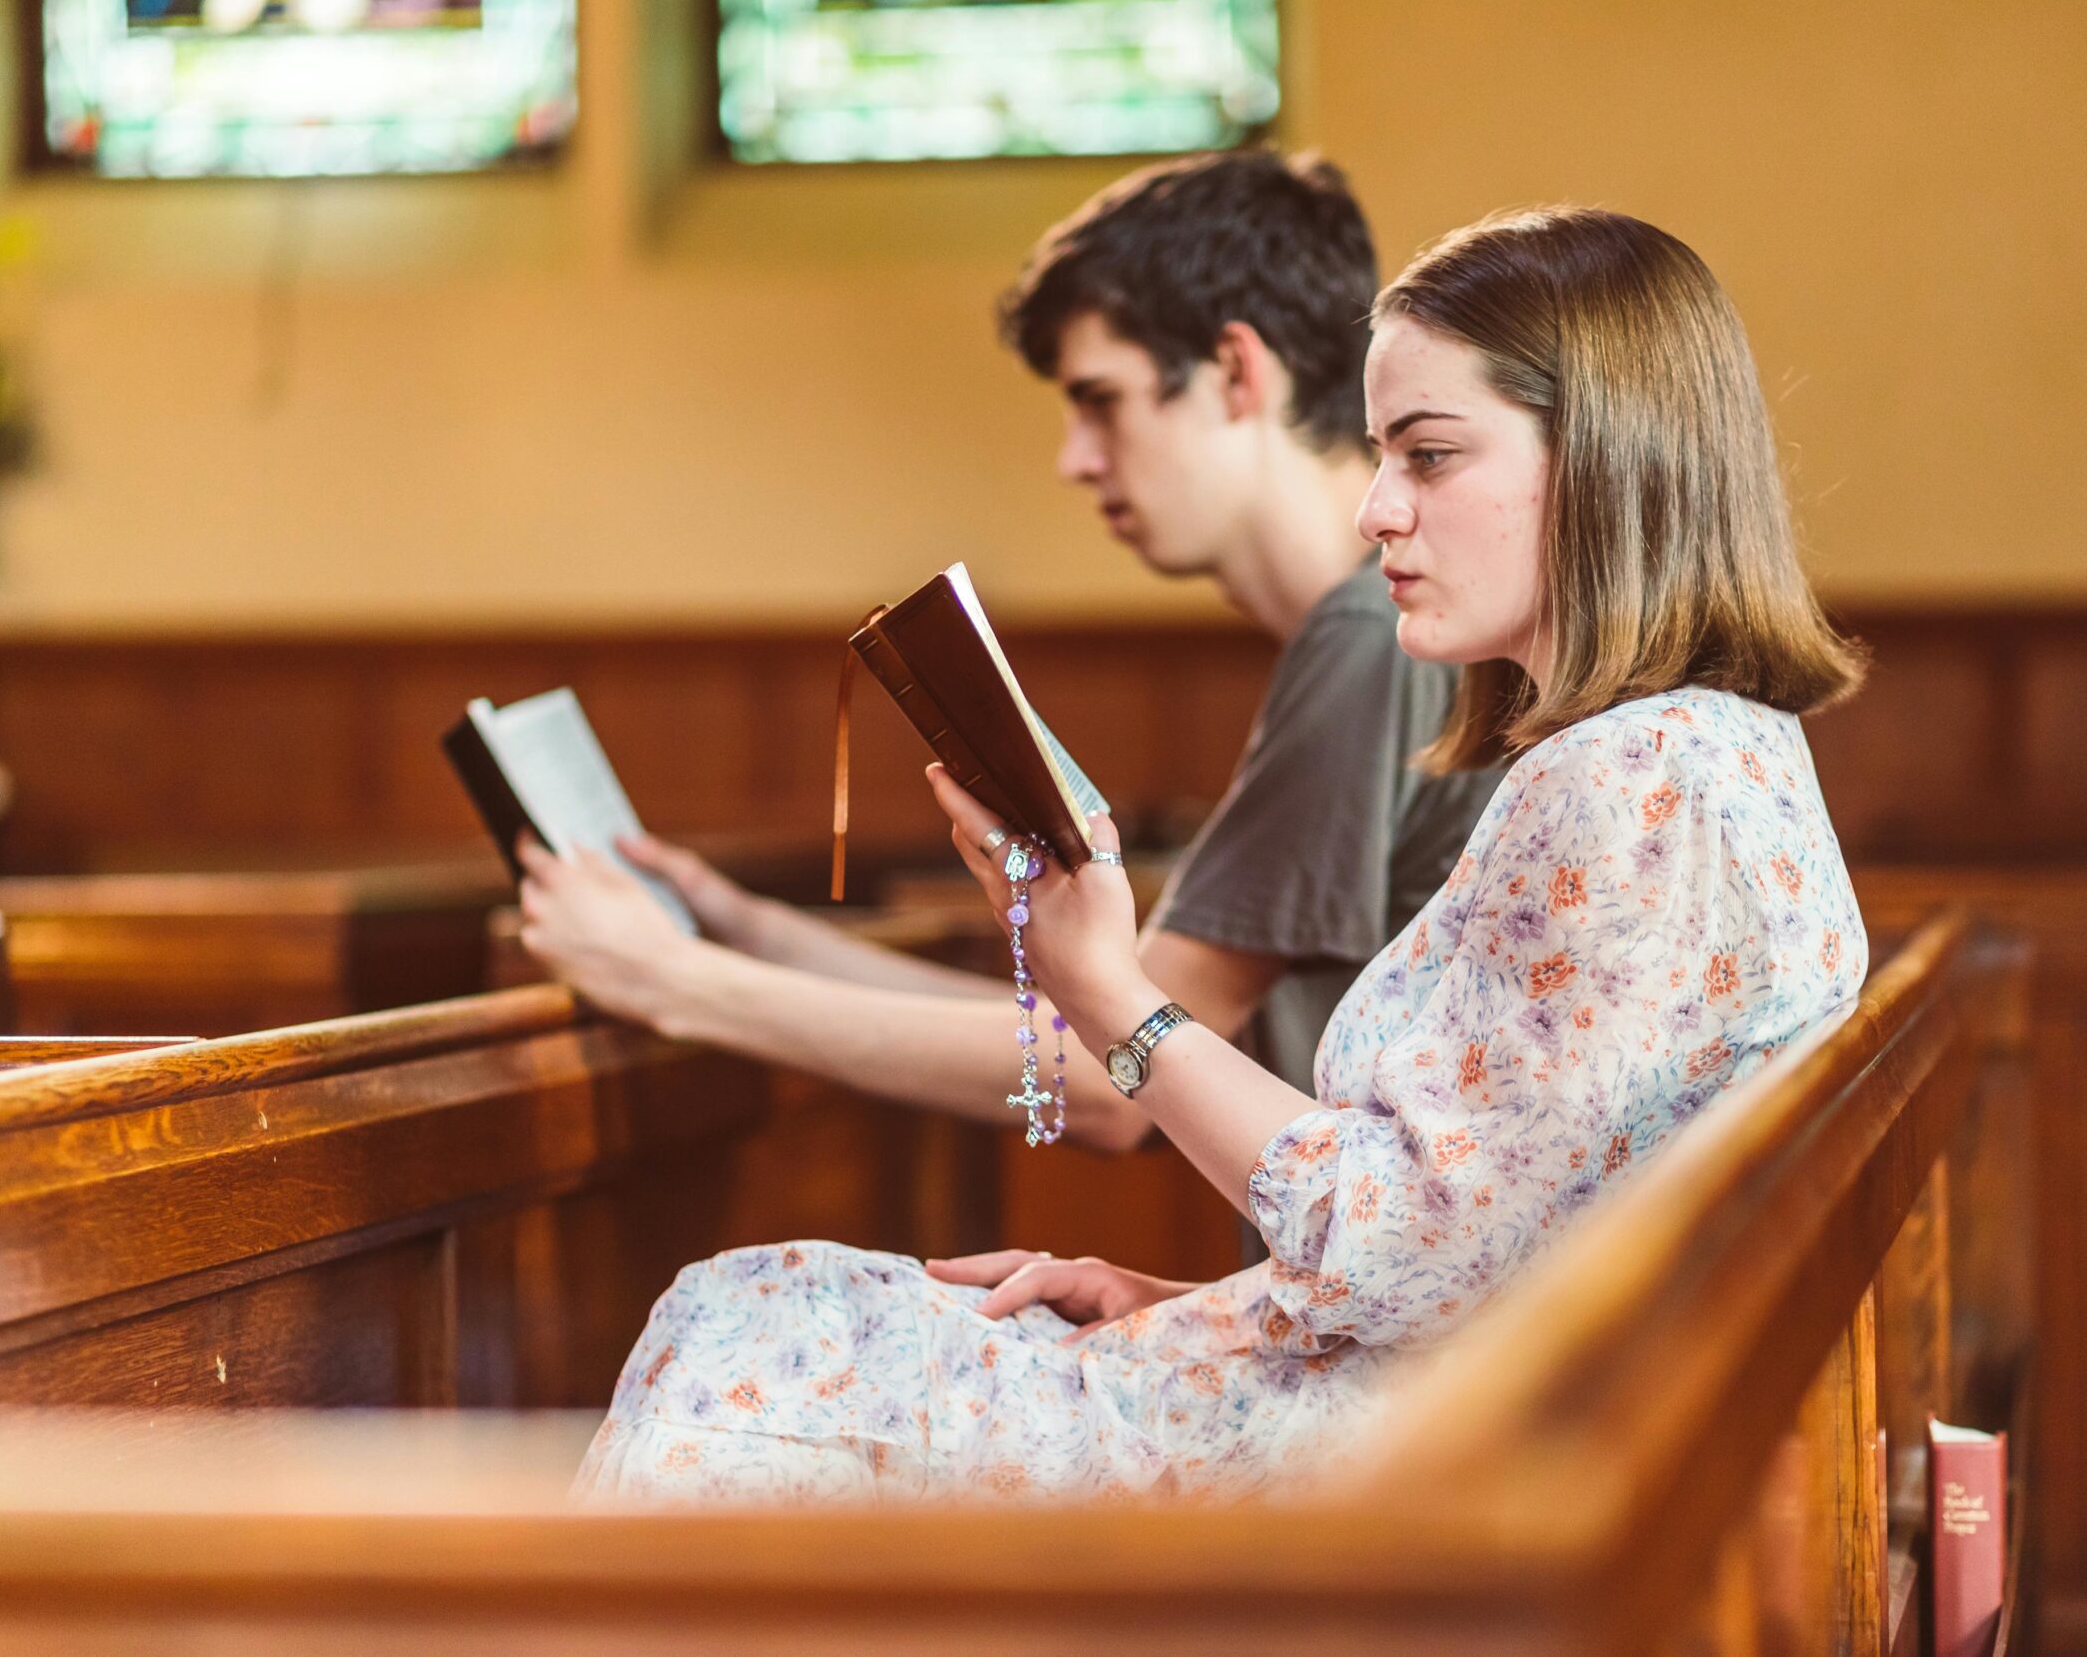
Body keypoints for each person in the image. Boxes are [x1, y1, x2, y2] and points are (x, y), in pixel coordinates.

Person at [569, 205, 1871, 1505]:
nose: (1375, 510)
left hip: (1442, 1473)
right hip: (1412, 1400)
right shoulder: (1716, 753)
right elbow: (1507, 1237)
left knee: (751, 1333)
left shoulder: (1626, 782)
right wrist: (1206, 1305)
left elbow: (1416, 1240)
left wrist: (1109, 994)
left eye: (1427, 454)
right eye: (1378, 455)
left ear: (1607, 459)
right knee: (777, 1311)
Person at [518, 149, 1502, 1157]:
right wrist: (752, 934)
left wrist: (674, 984)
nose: (1073, 459)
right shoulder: (1373, 632)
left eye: (1100, 399)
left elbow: (1115, 1077)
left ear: (1235, 372)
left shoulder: (1369, 635)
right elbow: (1113, 1021)